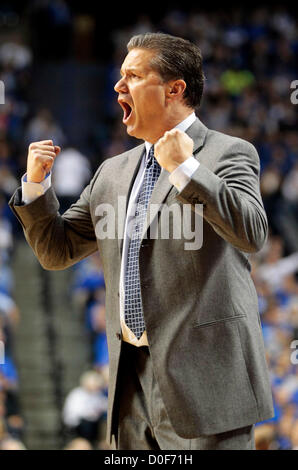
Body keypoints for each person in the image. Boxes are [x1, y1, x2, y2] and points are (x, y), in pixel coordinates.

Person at [9, 32, 274, 450]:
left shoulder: (229, 153)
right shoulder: (113, 171)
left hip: (205, 383)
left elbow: (251, 232)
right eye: (119, 76)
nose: (118, 87)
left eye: (132, 76)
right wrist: (37, 187)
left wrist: (185, 168)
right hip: (129, 380)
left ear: (174, 89)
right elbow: (56, 251)